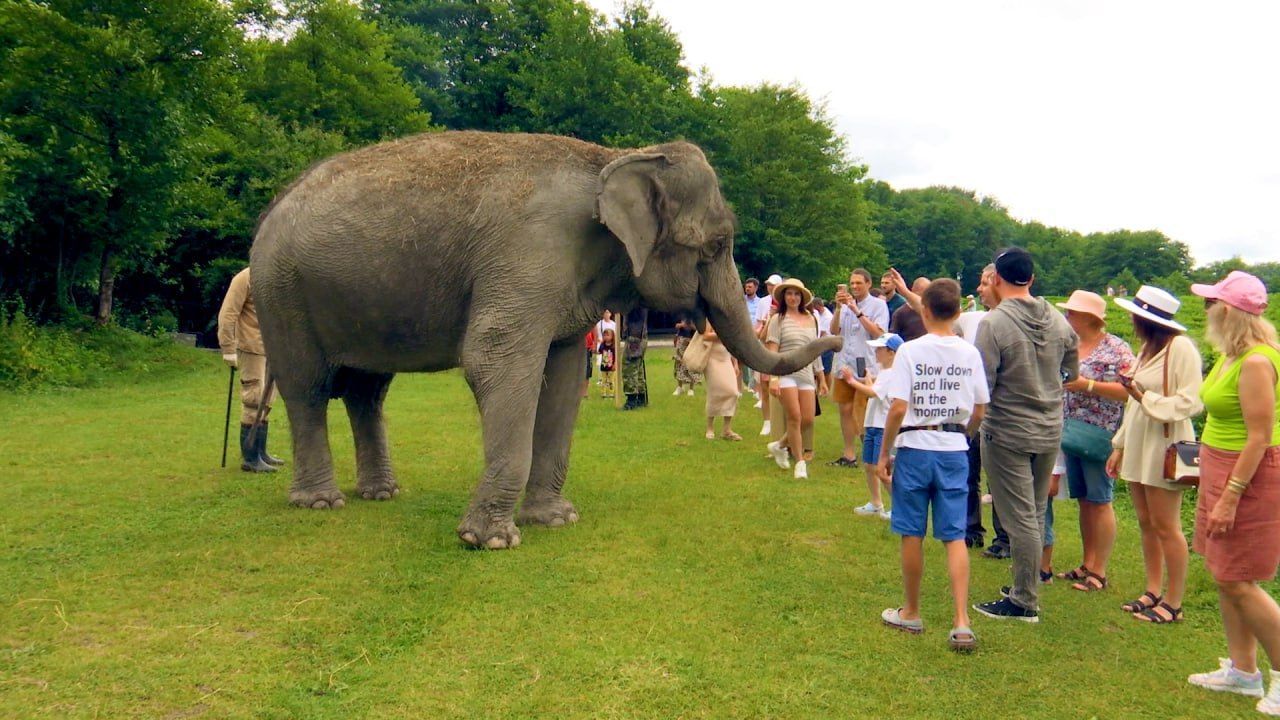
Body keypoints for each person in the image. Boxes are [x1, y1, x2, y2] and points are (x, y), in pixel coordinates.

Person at [877, 278, 988, 652]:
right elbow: (979, 409)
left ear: (922, 309)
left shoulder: (909, 351)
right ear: (958, 312)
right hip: (954, 446)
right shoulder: (969, 353)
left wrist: (884, 452)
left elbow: (897, 407)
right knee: (953, 535)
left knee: (912, 531)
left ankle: (911, 611)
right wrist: (965, 435)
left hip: (914, 444)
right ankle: (961, 621)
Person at [1187, 271, 1280, 712]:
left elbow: (1259, 437)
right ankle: (1244, 672)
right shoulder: (1229, 355)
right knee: (1225, 574)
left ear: (1229, 311)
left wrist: (1231, 495)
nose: (1206, 311)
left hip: (1250, 475)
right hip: (1220, 466)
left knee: (1240, 579)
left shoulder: (1258, 362)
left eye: (1212, 303)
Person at [972, 247, 1078, 623]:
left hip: (1007, 432)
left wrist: (969, 426)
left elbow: (981, 385)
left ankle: (1024, 601)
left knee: (1020, 519)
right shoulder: (1058, 320)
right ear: (1031, 279)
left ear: (997, 279)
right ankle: (1024, 585)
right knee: (1032, 512)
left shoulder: (992, 324)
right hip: (1049, 428)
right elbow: (1071, 368)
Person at [1107, 285, 1202, 624]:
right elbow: (1134, 402)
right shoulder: (1148, 349)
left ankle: (1173, 602)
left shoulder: (1181, 350)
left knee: (1166, 525)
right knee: (1147, 522)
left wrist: (1146, 398)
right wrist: (1119, 445)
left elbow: (1191, 402)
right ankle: (1152, 589)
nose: (1132, 321)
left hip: (1165, 445)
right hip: (1140, 441)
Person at [1053, 290, 1135, 593]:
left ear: (1090, 318)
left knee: (1100, 500)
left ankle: (1099, 570)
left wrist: (1087, 385)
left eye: (1072, 313)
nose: (1067, 317)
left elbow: (1129, 390)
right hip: (1071, 430)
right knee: (1085, 501)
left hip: (1100, 433)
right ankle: (1087, 563)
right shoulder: (1070, 345)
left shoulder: (1117, 349)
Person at [218, 267, 281, 473]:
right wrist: (228, 348)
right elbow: (228, 314)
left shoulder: (274, 278)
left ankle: (261, 453)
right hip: (251, 347)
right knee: (253, 399)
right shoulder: (244, 278)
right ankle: (250, 458)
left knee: (267, 399)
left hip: (272, 348)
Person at [765, 278, 828, 480]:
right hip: (786, 372)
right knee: (795, 417)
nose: (793, 298)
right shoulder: (778, 319)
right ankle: (800, 463)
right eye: (789, 294)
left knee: (808, 418)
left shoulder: (811, 318)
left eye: (797, 294)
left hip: (807, 373)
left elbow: (815, 350)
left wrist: (822, 377)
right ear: (784, 297)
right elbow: (772, 350)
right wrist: (773, 378)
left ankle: (779, 445)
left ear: (802, 297)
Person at [830, 268, 890, 467]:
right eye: (852, 283)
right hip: (844, 363)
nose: (854, 287)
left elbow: (878, 334)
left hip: (867, 366)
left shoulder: (878, 305)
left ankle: (871, 452)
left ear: (868, 284)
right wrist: (839, 309)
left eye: (859, 283)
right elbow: (833, 331)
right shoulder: (845, 305)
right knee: (845, 409)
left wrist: (857, 312)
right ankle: (849, 454)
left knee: (866, 411)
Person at [840, 332, 903, 520]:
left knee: (880, 469)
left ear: (892, 353)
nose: (876, 352)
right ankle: (876, 503)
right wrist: (866, 380)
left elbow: (874, 393)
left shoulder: (892, 373)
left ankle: (900, 507)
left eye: (880, 349)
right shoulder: (884, 373)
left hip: (882, 426)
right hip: (873, 424)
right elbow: (874, 390)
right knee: (869, 465)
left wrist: (852, 381)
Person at [755, 273, 785, 435]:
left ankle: (780, 420)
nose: (771, 288)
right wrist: (768, 320)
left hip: (783, 348)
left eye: (774, 285)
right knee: (765, 386)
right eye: (768, 285)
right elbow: (759, 331)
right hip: (766, 348)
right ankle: (767, 421)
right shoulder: (763, 302)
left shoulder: (787, 301)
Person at [702, 321, 742, 441]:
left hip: (726, 359)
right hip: (712, 358)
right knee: (715, 393)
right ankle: (710, 427)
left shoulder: (727, 318)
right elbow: (705, 335)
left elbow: (731, 344)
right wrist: (721, 334)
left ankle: (727, 429)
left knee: (733, 392)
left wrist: (735, 363)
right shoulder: (709, 319)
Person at [621, 307, 649, 410]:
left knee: (629, 368)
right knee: (638, 369)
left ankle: (631, 400)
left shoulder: (634, 302)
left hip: (635, 337)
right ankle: (641, 397)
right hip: (640, 336)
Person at [888, 277, 931, 342]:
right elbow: (893, 339)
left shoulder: (933, 312)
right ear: (912, 291)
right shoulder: (900, 313)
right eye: (921, 294)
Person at [743, 278, 763, 401]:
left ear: (756, 288)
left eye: (750, 287)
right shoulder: (740, 301)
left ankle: (754, 386)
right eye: (746, 287)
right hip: (742, 334)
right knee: (741, 361)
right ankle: (745, 384)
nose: (747, 288)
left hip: (755, 335)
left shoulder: (760, 303)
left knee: (754, 361)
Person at [672, 316, 701, 396]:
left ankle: (691, 389)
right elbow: (676, 325)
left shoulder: (696, 313)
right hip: (682, 339)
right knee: (679, 362)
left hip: (693, 340)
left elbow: (701, 329)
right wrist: (682, 325)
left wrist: (691, 326)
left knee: (691, 363)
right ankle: (679, 387)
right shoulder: (681, 312)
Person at [597, 329, 617, 399]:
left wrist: (615, 364)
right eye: (604, 335)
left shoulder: (614, 346)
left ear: (612, 336)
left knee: (611, 380)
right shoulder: (602, 345)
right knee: (603, 380)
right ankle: (603, 394)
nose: (606, 337)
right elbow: (599, 352)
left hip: (611, 367)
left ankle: (611, 394)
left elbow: (616, 356)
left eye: (608, 335)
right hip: (604, 366)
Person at [582, 326, 597, 399]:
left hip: (588, 348)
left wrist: (595, 345)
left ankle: (585, 392)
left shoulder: (590, 323)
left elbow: (595, 331)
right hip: (579, 348)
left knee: (587, 371)